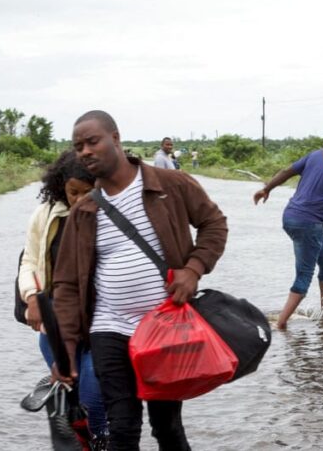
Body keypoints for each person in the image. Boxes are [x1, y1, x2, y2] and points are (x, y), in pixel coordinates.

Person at [52, 111, 229, 450]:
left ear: (115, 138)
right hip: (109, 326)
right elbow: (66, 285)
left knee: (167, 427)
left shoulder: (171, 185)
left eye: (92, 141)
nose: (85, 151)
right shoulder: (84, 211)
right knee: (122, 427)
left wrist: (193, 270)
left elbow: (214, 224)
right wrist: (67, 349)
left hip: (164, 327)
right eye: (78, 146)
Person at [17, 150, 108, 449]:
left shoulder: (113, 215)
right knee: (74, 397)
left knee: (93, 398)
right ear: (61, 187)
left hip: (101, 321)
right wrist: (32, 297)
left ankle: (102, 441)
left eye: (88, 191)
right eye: (73, 192)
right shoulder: (46, 215)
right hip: (57, 323)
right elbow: (30, 260)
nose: (80, 200)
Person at [254, 149, 323, 330]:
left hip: (291, 217)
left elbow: (286, 172)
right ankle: (281, 323)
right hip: (309, 224)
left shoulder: (316, 155)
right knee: (304, 275)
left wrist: (267, 189)